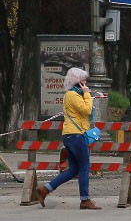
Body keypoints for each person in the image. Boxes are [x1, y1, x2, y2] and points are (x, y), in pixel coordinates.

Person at [36, 67, 101, 210]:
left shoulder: (73, 94)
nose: (85, 82)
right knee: (84, 167)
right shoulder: (73, 95)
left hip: (72, 135)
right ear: (76, 81)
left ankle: (45, 189)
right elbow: (87, 110)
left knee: (73, 170)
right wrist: (87, 95)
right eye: (83, 79)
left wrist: (85, 95)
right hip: (76, 136)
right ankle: (85, 200)